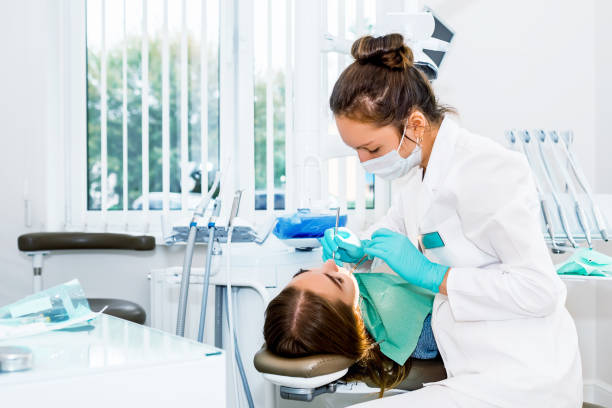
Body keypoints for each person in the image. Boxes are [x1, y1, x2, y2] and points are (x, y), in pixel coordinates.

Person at [319, 33, 582, 407]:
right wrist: (358, 248)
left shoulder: (485, 170)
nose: (363, 161)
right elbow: (390, 233)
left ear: (415, 124)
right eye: (355, 150)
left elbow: (540, 290)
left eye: (370, 148)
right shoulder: (417, 174)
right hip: (469, 371)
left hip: (523, 375)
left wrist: (434, 276)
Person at [263, 259, 440, 397]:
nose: (329, 263)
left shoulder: (363, 303)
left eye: (304, 273)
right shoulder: (423, 329)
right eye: (337, 280)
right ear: (355, 317)